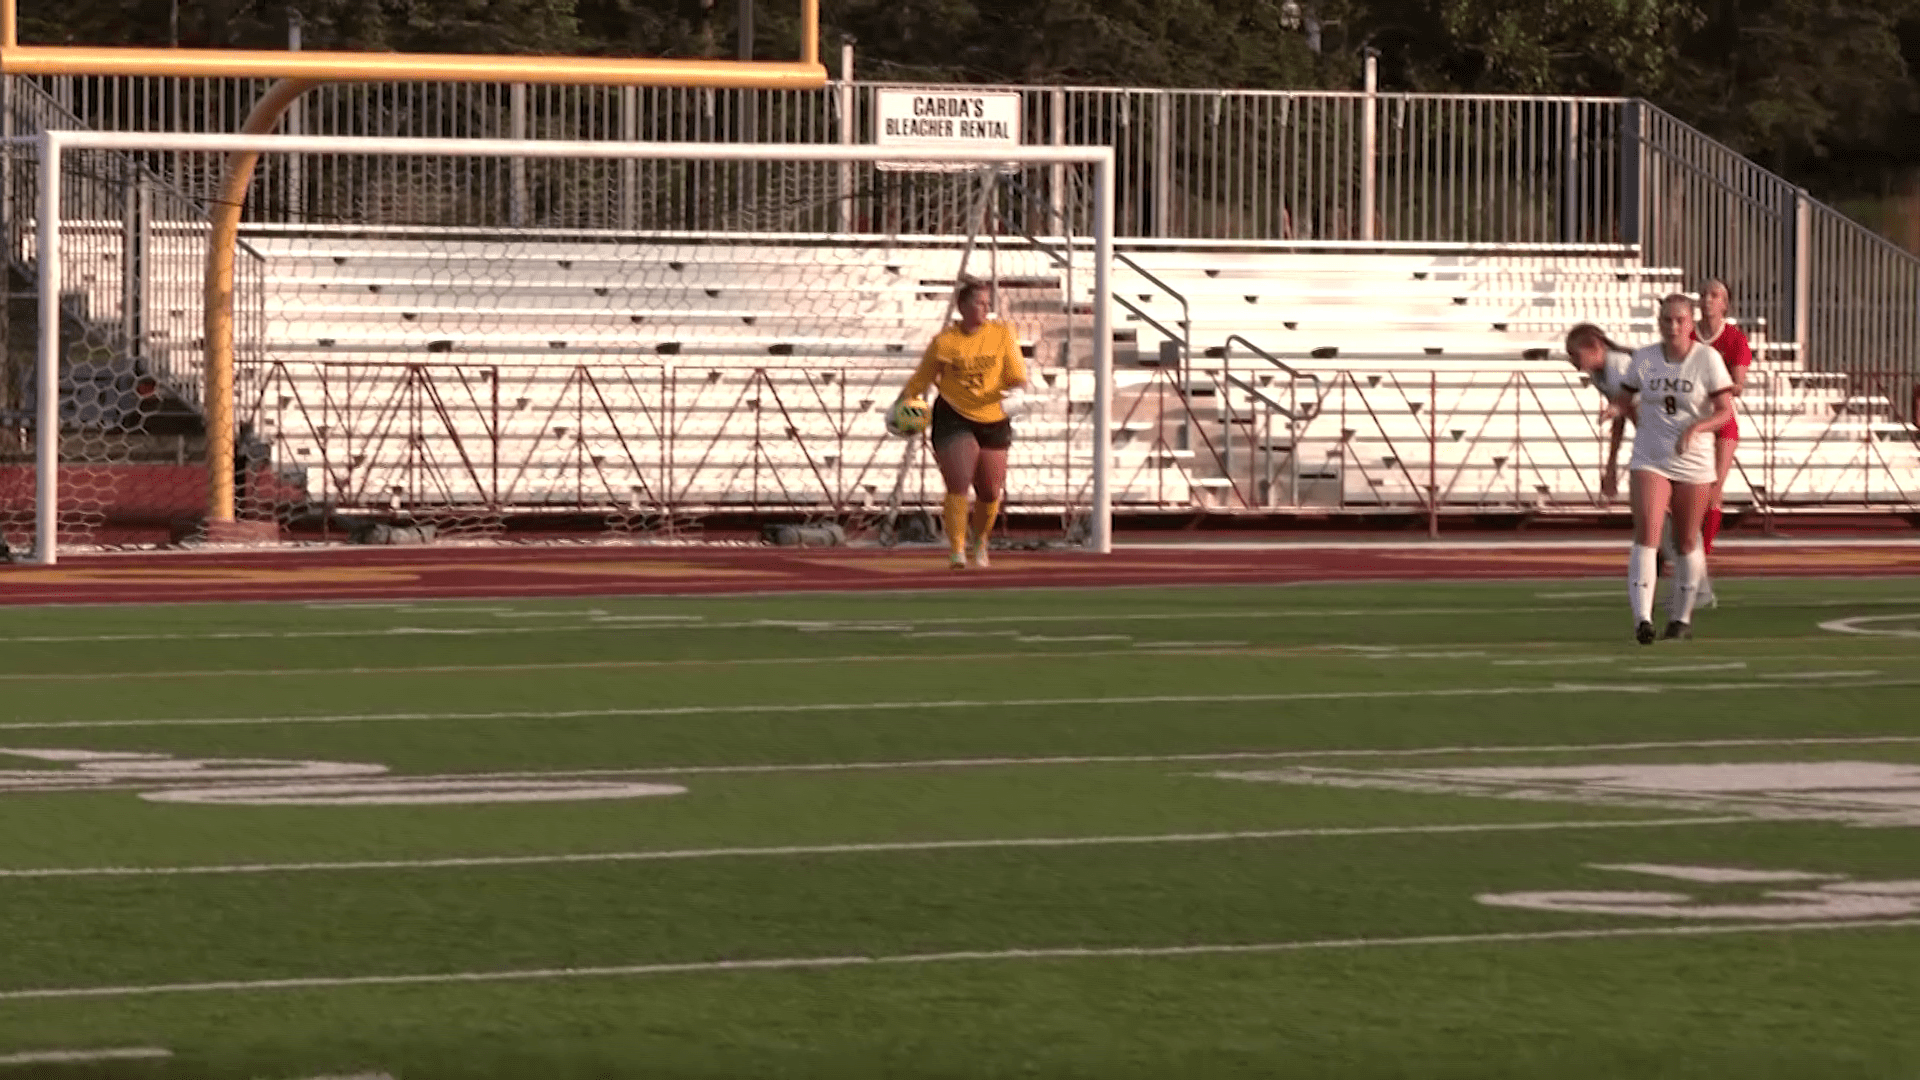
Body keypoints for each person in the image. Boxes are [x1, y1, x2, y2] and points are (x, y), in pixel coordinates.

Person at [1601, 294, 1735, 644]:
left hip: (1694, 460)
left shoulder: (1707, 359)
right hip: (1651, 455)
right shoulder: (1644, 359)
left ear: (1690, 323)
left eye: (1679, 320)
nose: (1672, 326)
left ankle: (1681, 618)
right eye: (1665, 320)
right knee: (1647, 532)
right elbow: (1624, 397)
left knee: (1687, 539)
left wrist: (1697, 427)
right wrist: (1615, 410)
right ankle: (1642, 619)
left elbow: (1724, 410)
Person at [896, 280, 1028, 570]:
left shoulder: (1002, 334)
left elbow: (1017, 374)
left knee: (991, 490)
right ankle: (956, 549)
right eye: (978, 303)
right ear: (962, 306)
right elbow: (921, 379)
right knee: (959, 481)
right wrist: (902, 405)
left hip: (994, 415)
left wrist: (1018, 394)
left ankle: (979, 540)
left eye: (987, 303)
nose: (985, 308)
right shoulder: (945, 342)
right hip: (954, 414)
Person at [1690, 278, 1753, 604]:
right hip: (1690, 422)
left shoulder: (1735, 339)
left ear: (1725, 304)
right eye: (1704, 294)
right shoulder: (1687, 333)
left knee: (1713, 493)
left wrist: (1714, 382)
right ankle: (1689, 562)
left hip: (1721, 421)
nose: (1707, 300)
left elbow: (1739, 384)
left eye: (1715, 296)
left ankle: (1702, 566)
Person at [1563, 323, 1636, 502]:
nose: (1572, 362)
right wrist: (1611, 465)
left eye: (1575, 355)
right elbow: (1620, 418)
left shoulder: (1620, 365)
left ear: (1595, 347)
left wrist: (1617, 409)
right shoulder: (1598, 374)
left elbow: (1636, 404)